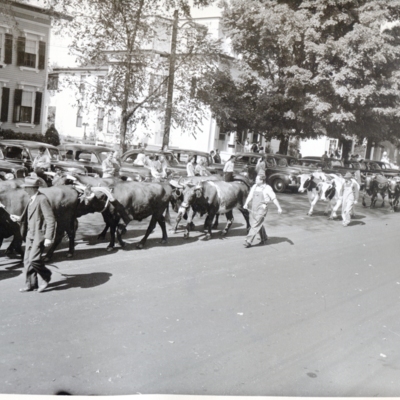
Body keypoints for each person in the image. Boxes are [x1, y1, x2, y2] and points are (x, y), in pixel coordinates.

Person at [10, 176, 55, 293]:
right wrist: (18, 219)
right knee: (27, 261)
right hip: (30, 234)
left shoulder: (42, 199)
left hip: (39, 235)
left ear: (33, 188)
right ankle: (31, 284)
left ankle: (46, 276)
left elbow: (50, 219)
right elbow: (28, 216)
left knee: (34, 259)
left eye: (26, 188)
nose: (25, 190)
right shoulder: (31, 199)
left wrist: (48, 237)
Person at [243, 173, 282, 248]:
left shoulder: (268, 188)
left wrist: (279, 207)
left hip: (262, 208)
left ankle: (248, 241)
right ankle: (264, 237)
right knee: (257, 223)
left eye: (257, 179)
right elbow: (250, 196)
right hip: (254, 207)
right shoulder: (254, 187)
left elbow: (274, 198)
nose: (255, 180)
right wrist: (246, 203)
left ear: (262, 180)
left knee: (255, 223)